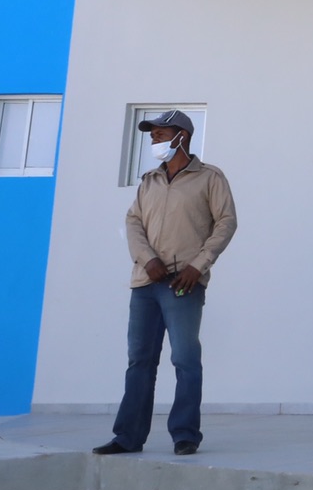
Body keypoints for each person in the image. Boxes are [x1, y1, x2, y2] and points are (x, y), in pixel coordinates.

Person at [94, 110, 237, 457]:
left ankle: (185, 435)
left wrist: (198, 266)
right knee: (140, 361)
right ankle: (128, 437)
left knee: (185, 359)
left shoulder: (210, 178)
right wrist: (148, 260)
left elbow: (226, 223)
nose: (153, 139)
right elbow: (133, 223)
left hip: (183, 284)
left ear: (181, 136)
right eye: (152, 135)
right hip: (145, 282)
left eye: (160, 134)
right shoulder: (150, 181)